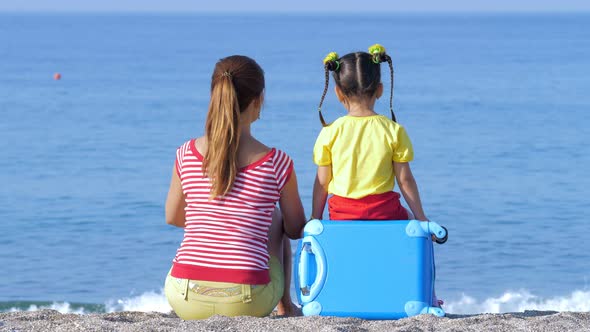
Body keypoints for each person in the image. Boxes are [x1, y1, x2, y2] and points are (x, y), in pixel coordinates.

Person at [164, 55, 306, 319]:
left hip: (184, 294)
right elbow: (296, 228)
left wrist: (214, 220)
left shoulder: (185, 153)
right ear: (258, 100)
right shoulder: (276, 162)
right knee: (276, 217)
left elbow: (173, 217)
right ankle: (284, 305)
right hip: (249, 300)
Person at [311, 44, 428, 223]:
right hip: (385, 213)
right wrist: (421, 218)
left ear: (338, 92)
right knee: (411, 221)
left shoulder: (330, 132)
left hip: (342, 215)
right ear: (380, 90)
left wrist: (315, 218)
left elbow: (322, 183)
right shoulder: (394, 131)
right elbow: (405, 181)